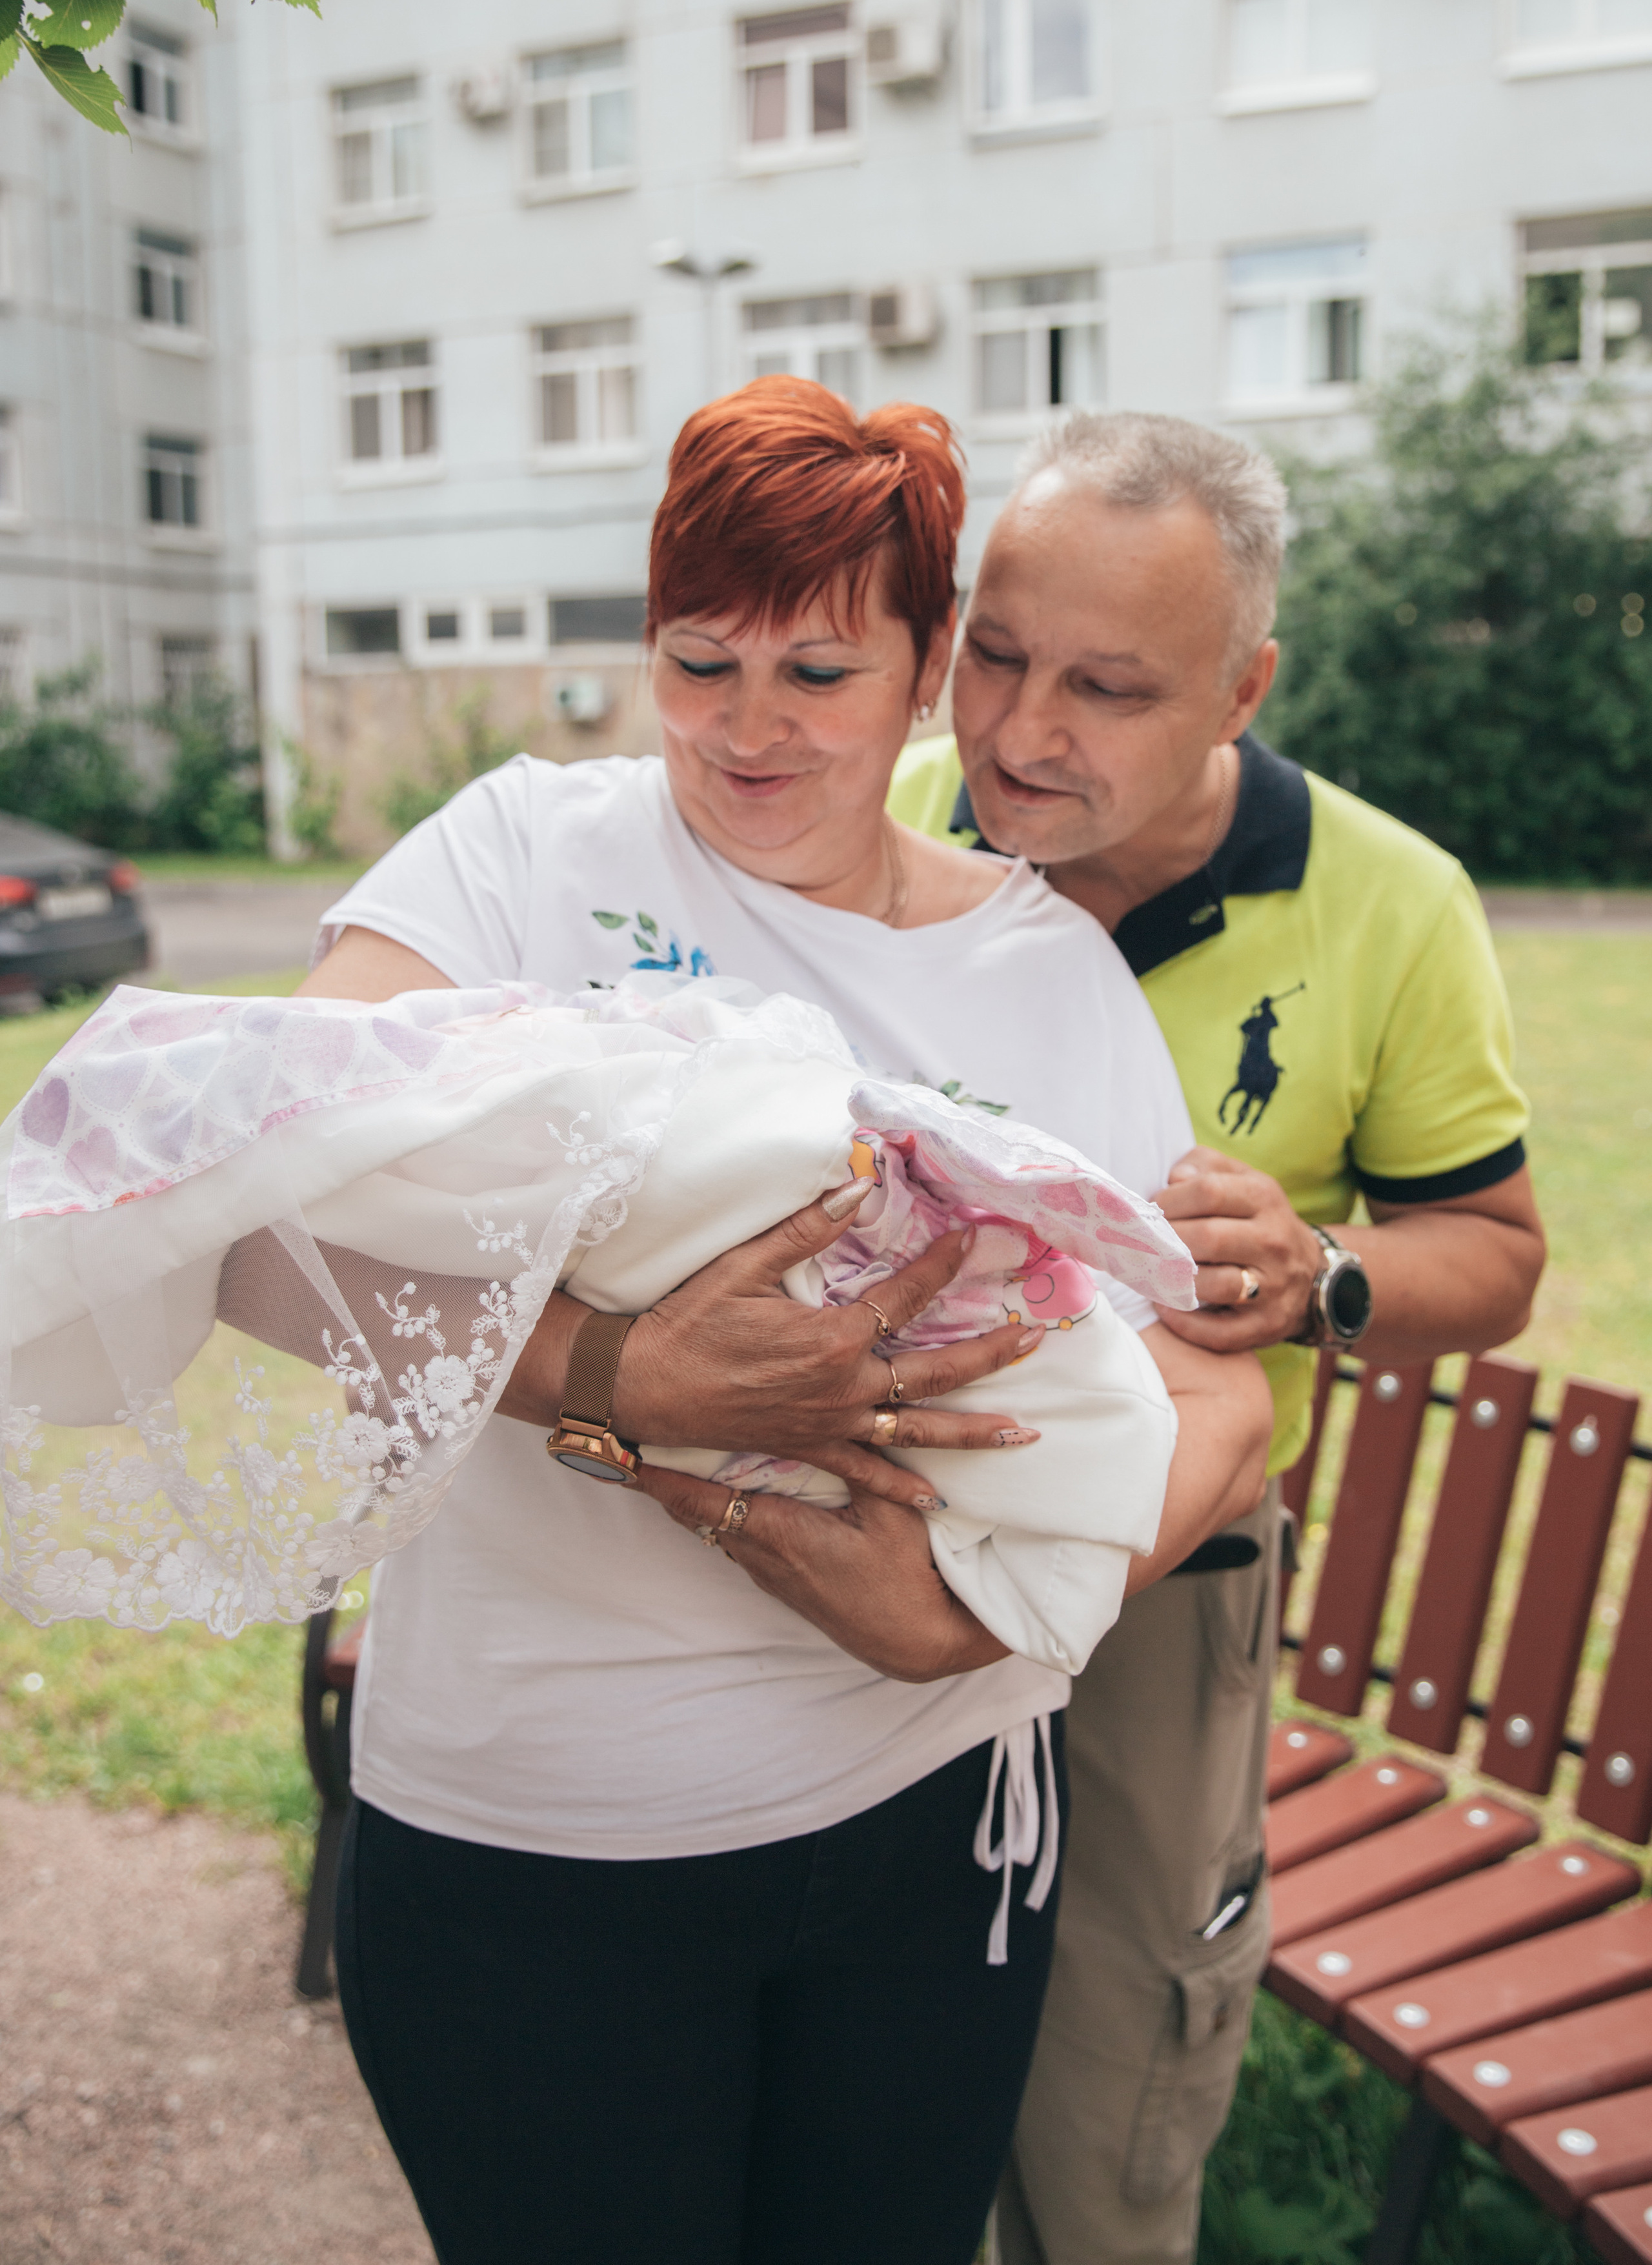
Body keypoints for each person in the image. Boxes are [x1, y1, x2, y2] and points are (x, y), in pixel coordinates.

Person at [289, 382, 1273, 2265]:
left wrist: (967, 1615)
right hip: (538, 1844)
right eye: (696, 659)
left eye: (818, 672)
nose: (745, 728)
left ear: (926, 681)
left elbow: (1211, 1392)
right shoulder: (519, 860)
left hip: (942, 1833)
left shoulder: (1042, 967)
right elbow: (283, 1215)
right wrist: (619, 1375)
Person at [889, 408, 1546, 2265]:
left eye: (1107, 687)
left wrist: (1322, 1272)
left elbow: (1490, 1254)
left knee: (1108, 2104)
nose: (1017, 735)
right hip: (848, 1529)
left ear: (1243, 686)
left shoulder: (1392, 901)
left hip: (1170, 1572)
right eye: (996, 652)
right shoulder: (870, 816)